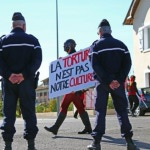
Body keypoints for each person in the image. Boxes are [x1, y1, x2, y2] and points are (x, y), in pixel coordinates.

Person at [87, 19, 138, 150]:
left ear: (100, 31)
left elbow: (95, 65)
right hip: (118, 84)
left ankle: (96, 143)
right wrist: (118, 79)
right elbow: (128, 63)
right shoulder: (121, 45)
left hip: (102, 83)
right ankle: (129, 142)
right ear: (110, 31)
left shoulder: (96, 46)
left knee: (100, 111)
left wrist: (108, 80)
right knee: (122, 111)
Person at [0, 12, 42, 150]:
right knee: (29, 113)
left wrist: (9, 75)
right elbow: (37, 60)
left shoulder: (3, 41)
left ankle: (8, 145)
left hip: (8, 83)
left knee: (9, 113)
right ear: (24, 25)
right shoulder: (33, 41)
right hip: (27, 83)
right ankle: (31, 145)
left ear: (12, 25)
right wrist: (24, 75)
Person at [44, 39, 92, 135]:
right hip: (74, 89)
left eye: (65, 45)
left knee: (64, 106)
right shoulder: (72, 57)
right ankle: (88, 127)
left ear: (69, 46)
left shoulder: (75, 57)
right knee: (80, 108)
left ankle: (55, 128)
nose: (64, 47)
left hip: (73, 89)